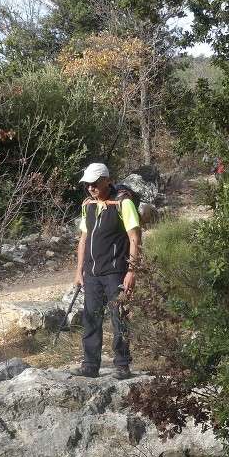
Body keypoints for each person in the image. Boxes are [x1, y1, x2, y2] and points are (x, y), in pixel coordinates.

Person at [74, 163, 141, 380]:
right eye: (87, 184)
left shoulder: (123, 203)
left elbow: (134, 237)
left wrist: (132, 271)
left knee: (119, 318)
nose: (90, 188)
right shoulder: (88, 204)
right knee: (90, 319)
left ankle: (122, 364)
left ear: (107, 180)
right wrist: (78, 272)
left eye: (94, 183)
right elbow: (84, 239)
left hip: (116, 272)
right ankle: (90, 365)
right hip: (92, 273)